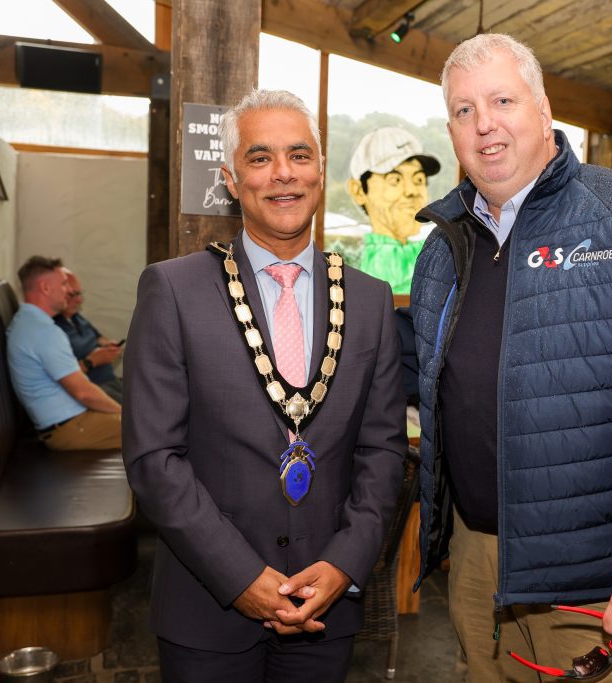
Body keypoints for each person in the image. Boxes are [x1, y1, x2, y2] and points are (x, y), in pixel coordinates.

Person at [408, 34, 612, 682]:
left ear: (543, 108)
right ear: (451, 128)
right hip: (477, 561)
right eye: (464, 110)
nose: (486, 124)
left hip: (599, 571)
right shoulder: (443, 248)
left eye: (502, 99)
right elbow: (410, 364)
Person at [122, 89, 406, 683]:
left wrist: (345, 563)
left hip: (325, 606)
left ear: (320, 170)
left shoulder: (371, 300)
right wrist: (241, 578)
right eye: (260, 157)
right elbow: (154, 459)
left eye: (299, 155)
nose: (284, 173)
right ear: (230, 177)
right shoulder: (173, 291)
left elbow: (383, 451)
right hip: (207, 608)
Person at [7, 256, 122, 450]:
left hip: (70, 422)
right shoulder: (44, 332)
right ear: (45, 287)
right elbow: (84, 393)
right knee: (156, 431)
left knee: (153, 426)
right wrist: (123, 414)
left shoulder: (24, 322)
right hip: (71, 427)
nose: (68, 291)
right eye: (63, 284)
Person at [346, 126, 440, 295]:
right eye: (395, 179)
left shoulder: (426, 251)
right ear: (358, 190)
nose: (411, 191)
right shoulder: (376, 265)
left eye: (418, 179)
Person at [53, 268, 124, 403]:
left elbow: (98, 337)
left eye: (80, 293)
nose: (79, 300)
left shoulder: (75, 317)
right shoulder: (53, 328)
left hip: (110, 379)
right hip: (95, 388)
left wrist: (107, 345)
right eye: (73, 295)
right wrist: (93, 360)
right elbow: (63, 379)